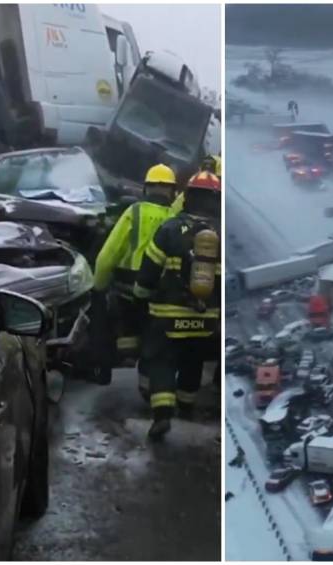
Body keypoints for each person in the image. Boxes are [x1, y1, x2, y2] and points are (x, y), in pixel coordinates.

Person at [135, 171, 222, 440]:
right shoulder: (220, 233)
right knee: (193, 360)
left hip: (167, 314)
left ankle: (162, 414)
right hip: (206, 316)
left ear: (187, 196)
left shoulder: (170, 229)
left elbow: (149, 271)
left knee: (162, 360)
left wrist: (140, 296)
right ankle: (187, 405)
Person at [90, 164, 178, 388]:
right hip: (161, 290)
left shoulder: (135, 212)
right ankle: (147, 381)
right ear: (172, 191)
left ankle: (123, 349)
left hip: (127, 286)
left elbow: (108, 255)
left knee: (111, 312)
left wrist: (98, 288)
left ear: (146, 189)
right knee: (155, 338)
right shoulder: (175, 218)